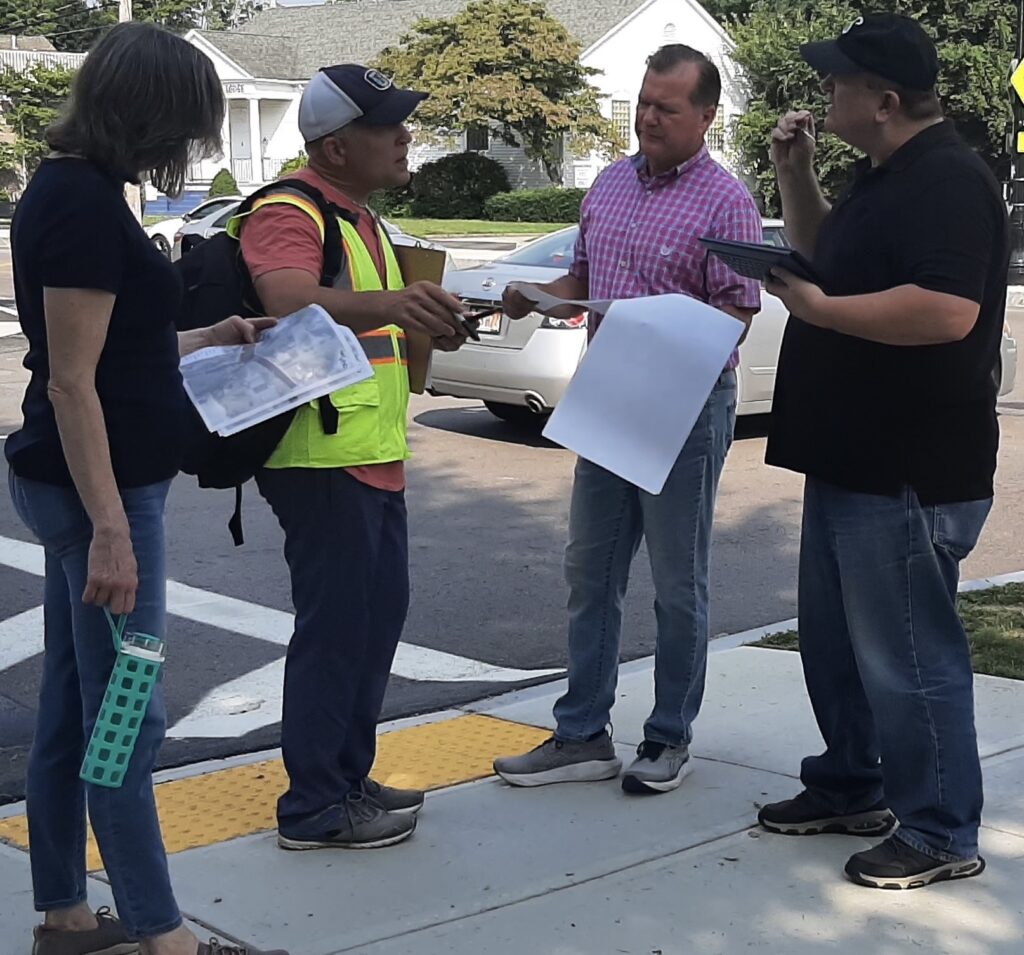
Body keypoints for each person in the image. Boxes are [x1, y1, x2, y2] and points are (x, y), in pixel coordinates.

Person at [6, 23, 289, 955]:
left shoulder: (75, 191)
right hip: (107, 496)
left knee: (73, 708)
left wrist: (210, 338)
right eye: (188, 126)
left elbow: (106, 353)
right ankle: (162, 935)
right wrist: (112, 533)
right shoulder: (84, 205)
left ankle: (65, 911)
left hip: (91, 487)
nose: (191, 149)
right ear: (152, 114)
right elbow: (70, 382)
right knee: (129, 711)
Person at [758, 13, 1008, 890]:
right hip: (850, 456)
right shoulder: (885, 175)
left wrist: (821, 313)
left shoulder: (947, 179)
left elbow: (947, 310)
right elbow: (829, 251)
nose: (826, 94)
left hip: (910, 466)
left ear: (885, 99)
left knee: (907, 656)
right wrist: (796, 175)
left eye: (838, 83)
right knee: (838, 645)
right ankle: (852, 783)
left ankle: (941, 827)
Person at [492, 44, 762, 794]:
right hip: (606, 393)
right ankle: (582, 733)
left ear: (705, 116)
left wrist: (659, 331)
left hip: (683, 400)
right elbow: (584, 278)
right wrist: (537, 294)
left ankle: (668, 736)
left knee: (679, 582)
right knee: (591, 568)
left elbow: (738, 309)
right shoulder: (608, 186)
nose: (647, 118)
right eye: (643, 102)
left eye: (666, 108)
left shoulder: (726, 201)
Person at [235, 65, 469, 850]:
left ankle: (345, 778)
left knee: (373, 623)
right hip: (318, 457)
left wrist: (430, 318)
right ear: (335, 148)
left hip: (370, 452)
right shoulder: (288, 208)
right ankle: (312, 806)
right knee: (335, 631)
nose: (406, 137)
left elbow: (372, 326)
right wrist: (393, 304)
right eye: (387, 126)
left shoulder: (361, 219)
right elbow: (286, 296)